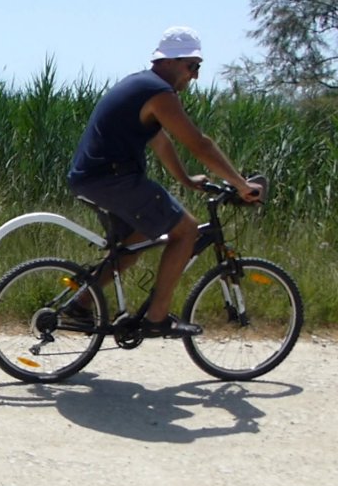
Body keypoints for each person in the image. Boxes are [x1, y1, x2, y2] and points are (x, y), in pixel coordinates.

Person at [66, 26, 263, 338]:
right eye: (192, 67)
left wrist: (185, 179)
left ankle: (80, 305)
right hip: (113, 178)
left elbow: (161, 141)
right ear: (170, 62)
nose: (195, 76)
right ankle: (157, 318)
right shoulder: (159, 93)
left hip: (93, 179)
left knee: (136, 242)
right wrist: (241, 184)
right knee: (185, 231)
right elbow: (200, 144)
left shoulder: (140, 86)